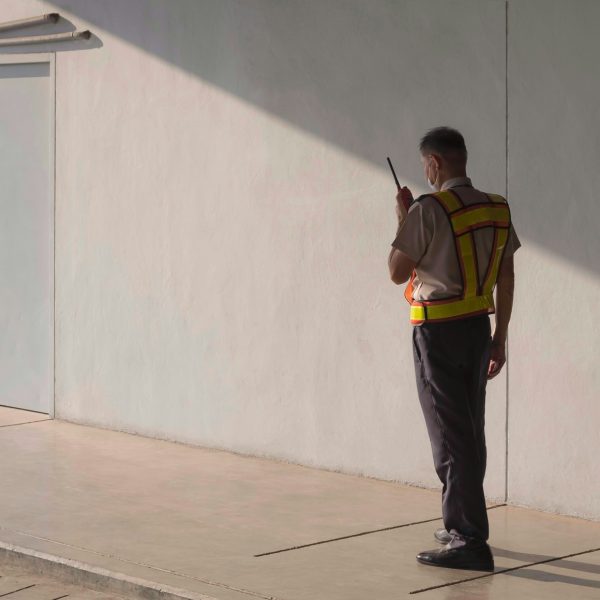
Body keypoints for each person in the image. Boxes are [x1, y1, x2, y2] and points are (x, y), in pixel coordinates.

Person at [387, 126, 521, 572]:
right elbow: (506, 276)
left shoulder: (428, 210)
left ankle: (468, 538)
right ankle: (460, 520)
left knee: (449, 432)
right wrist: (500, 334)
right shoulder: (496, 208)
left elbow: (395, 270)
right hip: (478, 330)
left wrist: (404, 218)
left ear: (434, 164)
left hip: (438, 333)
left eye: (425, 164)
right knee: (469, 430)